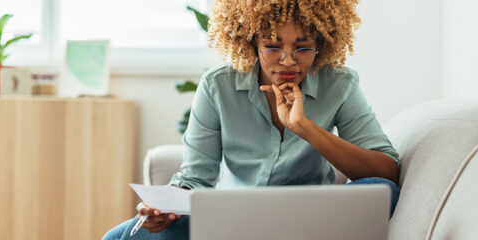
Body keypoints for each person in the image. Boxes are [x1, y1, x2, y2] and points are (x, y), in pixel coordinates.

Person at [104, 0, 400, 239]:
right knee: (118, 238)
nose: (287, 60)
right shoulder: (217, 85)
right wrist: (165, 209)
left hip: (308, 223)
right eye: (272, 46)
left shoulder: (340, 84)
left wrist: (304, 127)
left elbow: (387, 172)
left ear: (322, 43)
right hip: (229, 224)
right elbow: (194, 177)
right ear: (251, 42)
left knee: (382, 189)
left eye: (303, 47)